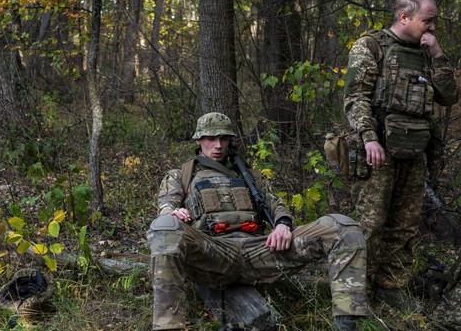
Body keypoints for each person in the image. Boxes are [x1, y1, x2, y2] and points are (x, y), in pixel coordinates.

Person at [147, 112, 369, 331]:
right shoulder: (180, 176)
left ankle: (346, 323)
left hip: (258, 252)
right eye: (211, 139)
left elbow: (277, 206)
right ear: (198, 140)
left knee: (342, 227)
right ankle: (169, 326)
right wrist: (173, 214)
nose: (218, 145)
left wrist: (282, 224)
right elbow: (166, 207)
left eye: (223, 138)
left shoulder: (250, 177)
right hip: (212, 253)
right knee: (164, 228)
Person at [343, 0, 460, 309]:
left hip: (414, 151)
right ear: (404, 17)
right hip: (377, 151)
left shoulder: (426, 51)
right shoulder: (371, 46)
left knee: (405, 225)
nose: (432, 28)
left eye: (434, 22)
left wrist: (437, 55)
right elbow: (355, 98)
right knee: (370, 225)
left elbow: (449, 96)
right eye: (428, 21)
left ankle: (390, 289)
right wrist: (369, 138)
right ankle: (355, 294)